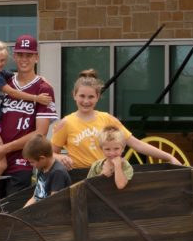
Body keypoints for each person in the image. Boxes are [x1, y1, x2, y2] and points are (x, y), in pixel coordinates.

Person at [0, 34, 58, 202]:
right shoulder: (2, 79)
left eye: (29, 55)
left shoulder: (44, 88)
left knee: (13, 214)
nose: (24, 59)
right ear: (14, 56)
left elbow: (40, 134)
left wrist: (5, 148)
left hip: (21, 161)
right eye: (20, 54)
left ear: (36, 57)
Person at [51, 69, 181, 170]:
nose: (86, 101)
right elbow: (50, 154)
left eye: (91, 97)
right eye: (82, 96)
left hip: (107, 175)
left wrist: (169, 157)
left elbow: (136, 143)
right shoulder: (66, 123)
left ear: (98, 96)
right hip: (79, 177)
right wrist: (60, 157)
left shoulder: (107, 119)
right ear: (74, 95)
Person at [22, 135, 71, 207]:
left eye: (32, 162)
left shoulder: (57, 173)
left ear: (42, 158)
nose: (31, 164)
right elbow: (36, 197)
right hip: (41, 209)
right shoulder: (42, 168)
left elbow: (54, 202)